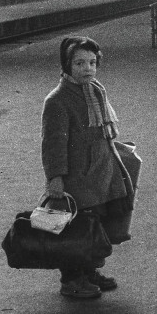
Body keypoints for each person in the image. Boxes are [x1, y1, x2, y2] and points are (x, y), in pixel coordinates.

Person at [42, 36, 133, 298]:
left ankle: (90, 271)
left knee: (96, 225)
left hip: (100, 174)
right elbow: (53, 144)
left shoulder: (95, 91)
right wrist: (55, 177)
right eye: (80, 63)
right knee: (75, 228)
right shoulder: (57, 100)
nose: (88, 69)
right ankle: (71, 280)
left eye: (92, 62)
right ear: (66, 65)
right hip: (76, 177)